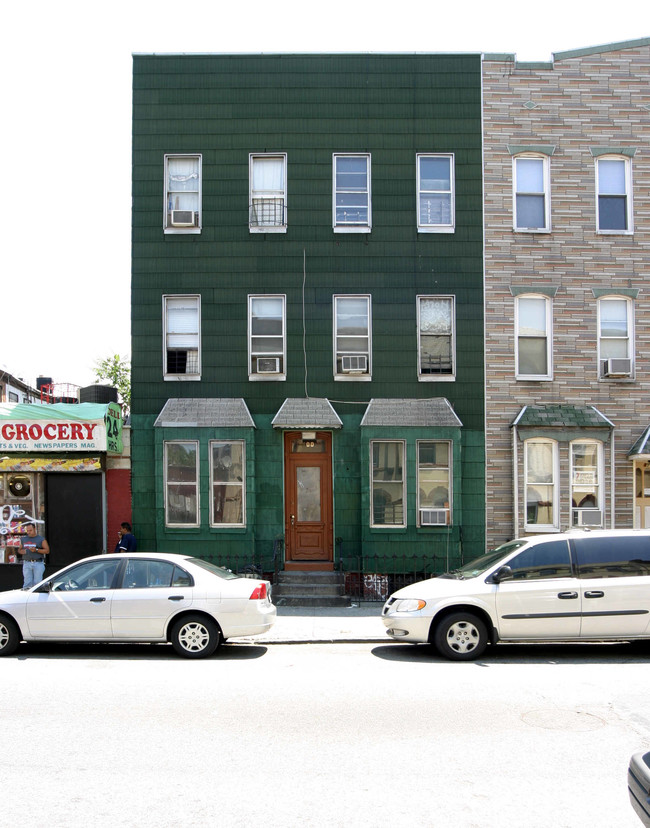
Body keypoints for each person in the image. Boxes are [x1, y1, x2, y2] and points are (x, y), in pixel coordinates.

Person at [19, 523, 50, 590]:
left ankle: (36, 598)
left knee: (38, 583)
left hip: (38, 562)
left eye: (30, 530)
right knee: (27, 583)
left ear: (35, 529)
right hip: (27, 562)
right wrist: (22, 551)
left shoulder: (41, 539)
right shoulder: (24, 539)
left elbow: (47, 550)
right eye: (27, 531)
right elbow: (19, 550)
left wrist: (36, 550)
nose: (29, 532)